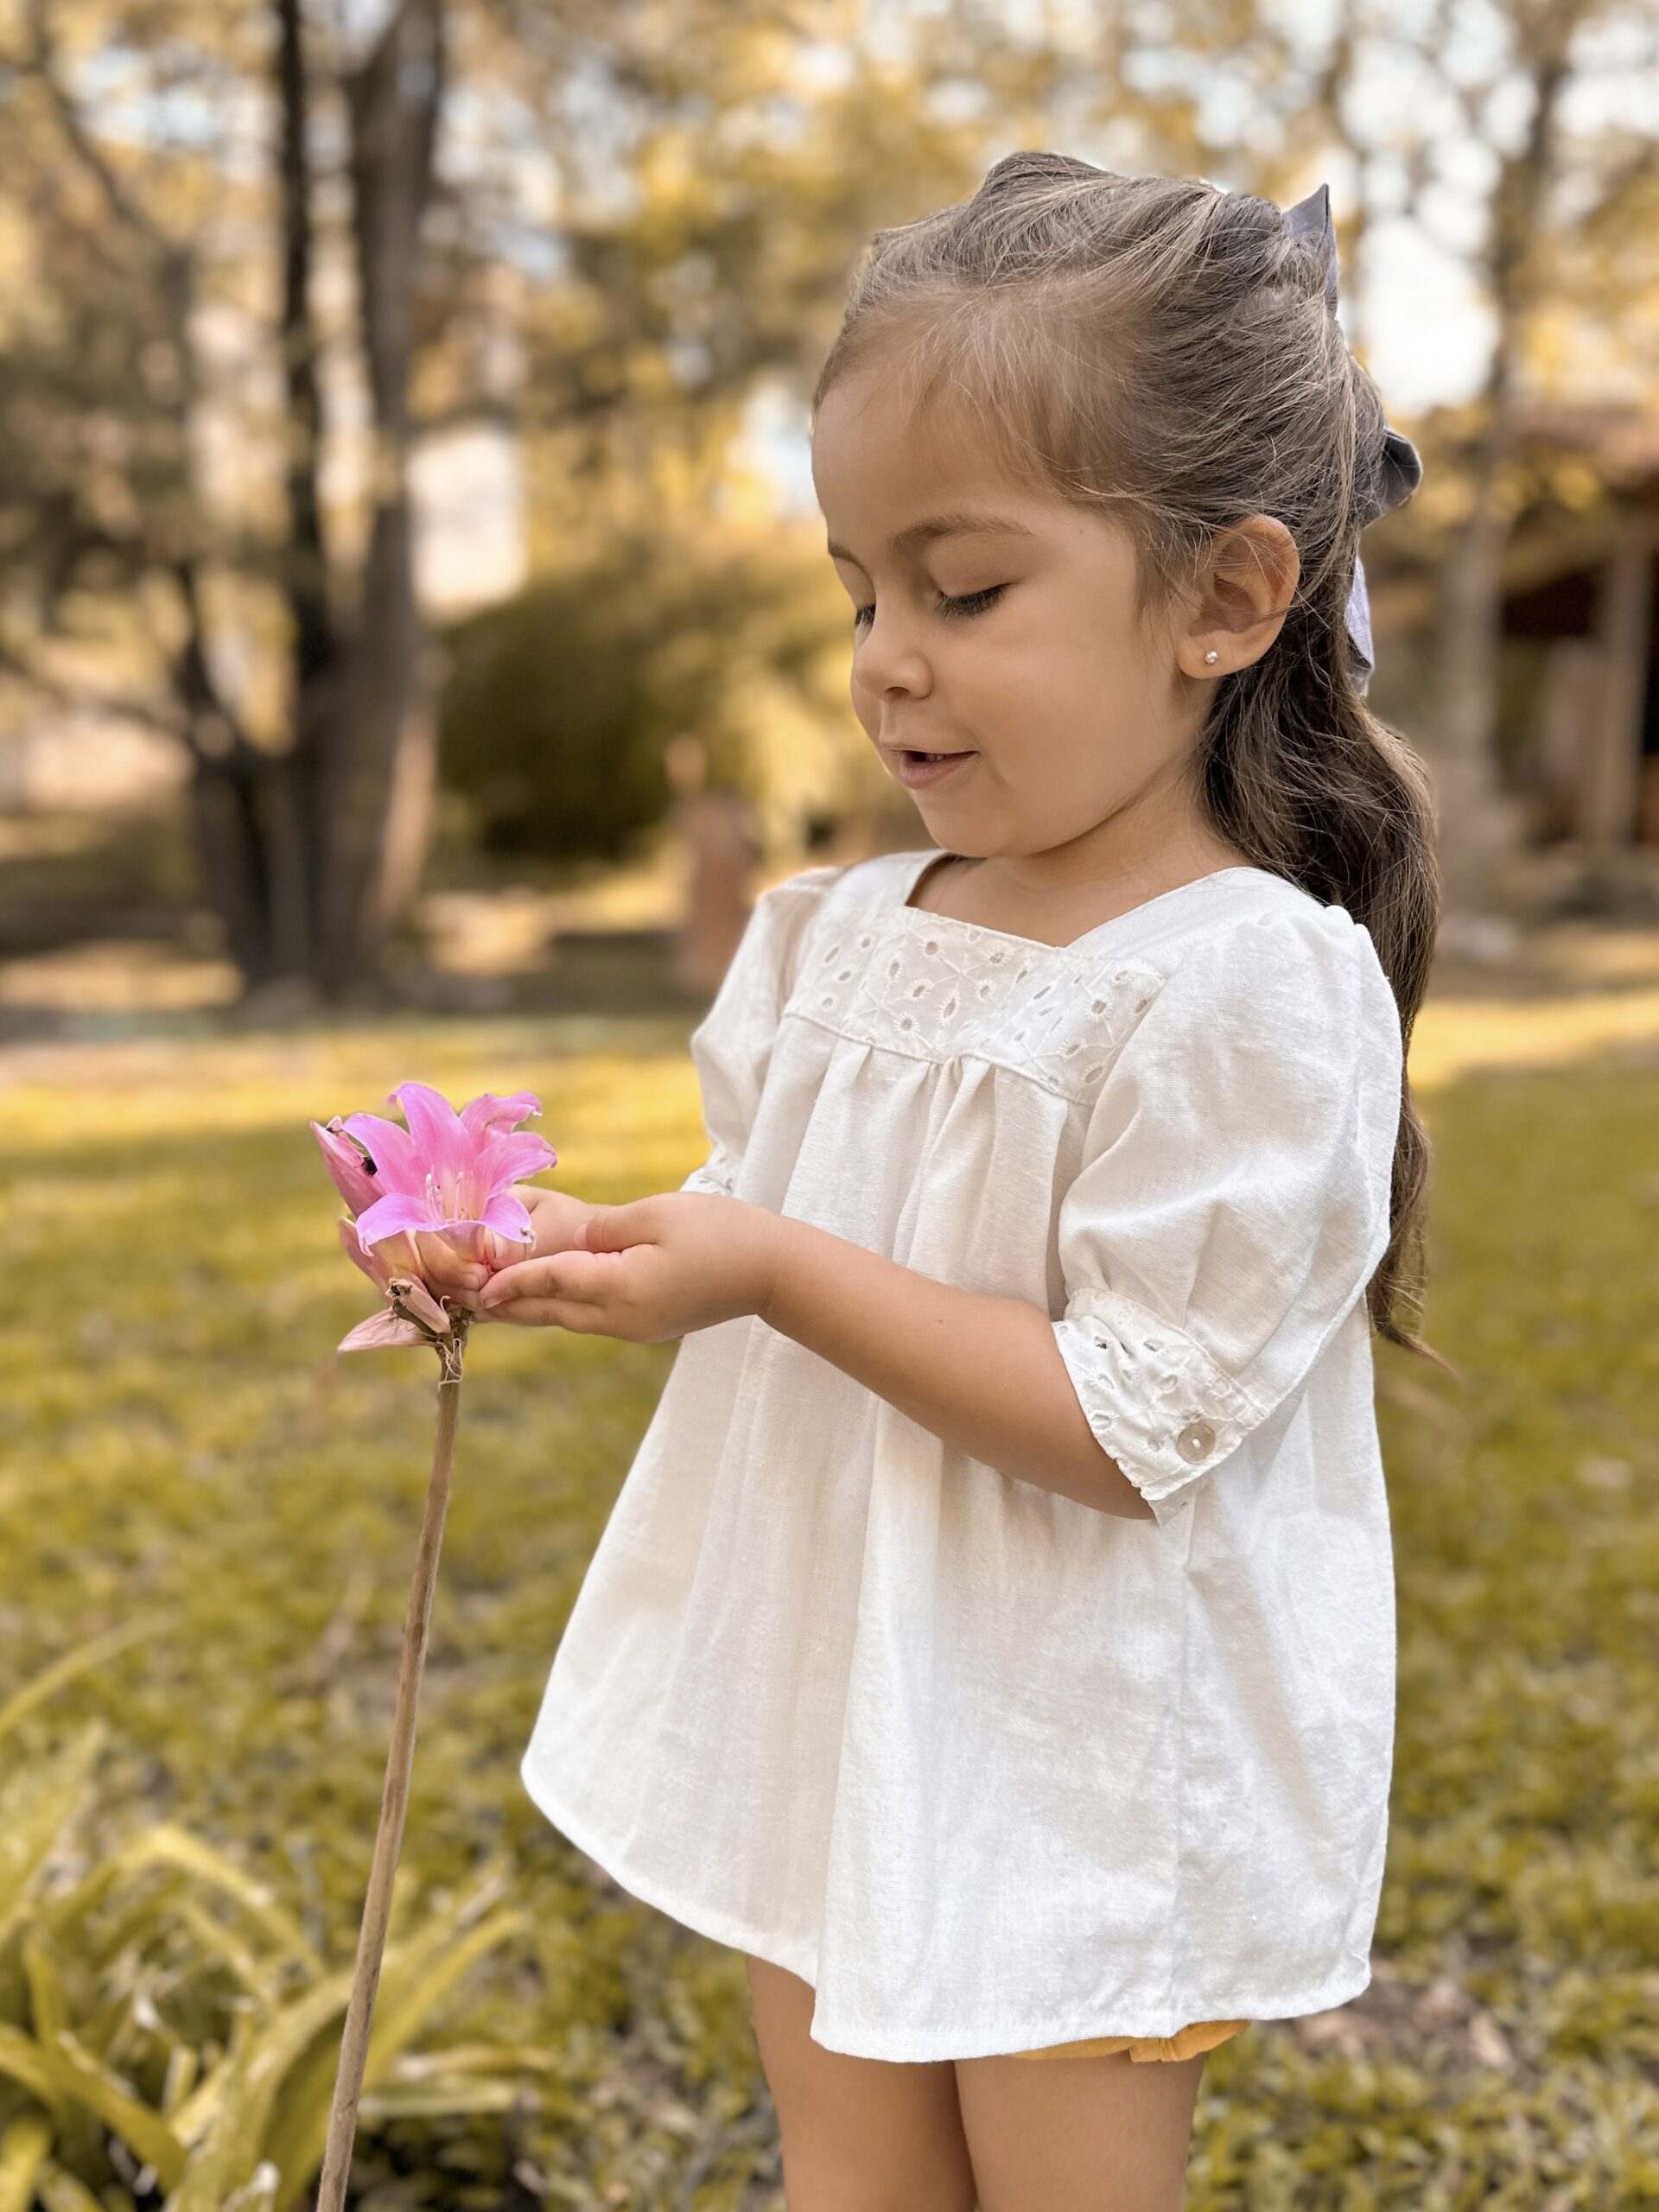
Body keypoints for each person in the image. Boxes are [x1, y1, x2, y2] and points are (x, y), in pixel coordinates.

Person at [418, 157, 1444, 2212]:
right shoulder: (842, 927)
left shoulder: (1243, 982)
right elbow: (762, 1195)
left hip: (1082, 1738)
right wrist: (583, 1243)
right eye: (858, 590)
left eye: (964, 591)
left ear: (1227, 600)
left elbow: (1124, 1423)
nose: (888, 657)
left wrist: (773, 1267)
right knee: (856, 2175)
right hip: (845, 1677)